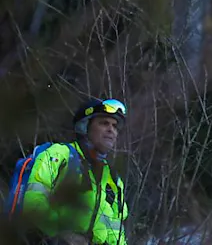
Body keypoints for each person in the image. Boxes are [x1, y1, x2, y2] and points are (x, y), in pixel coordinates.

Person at [18, 98, 129, 245]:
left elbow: (117, 233)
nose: (111, 130)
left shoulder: (113, 179)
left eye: (115, 126)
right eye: (104, 123)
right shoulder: (59, 155)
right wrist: (61, 235)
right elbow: (33, 203)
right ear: (85, 127)